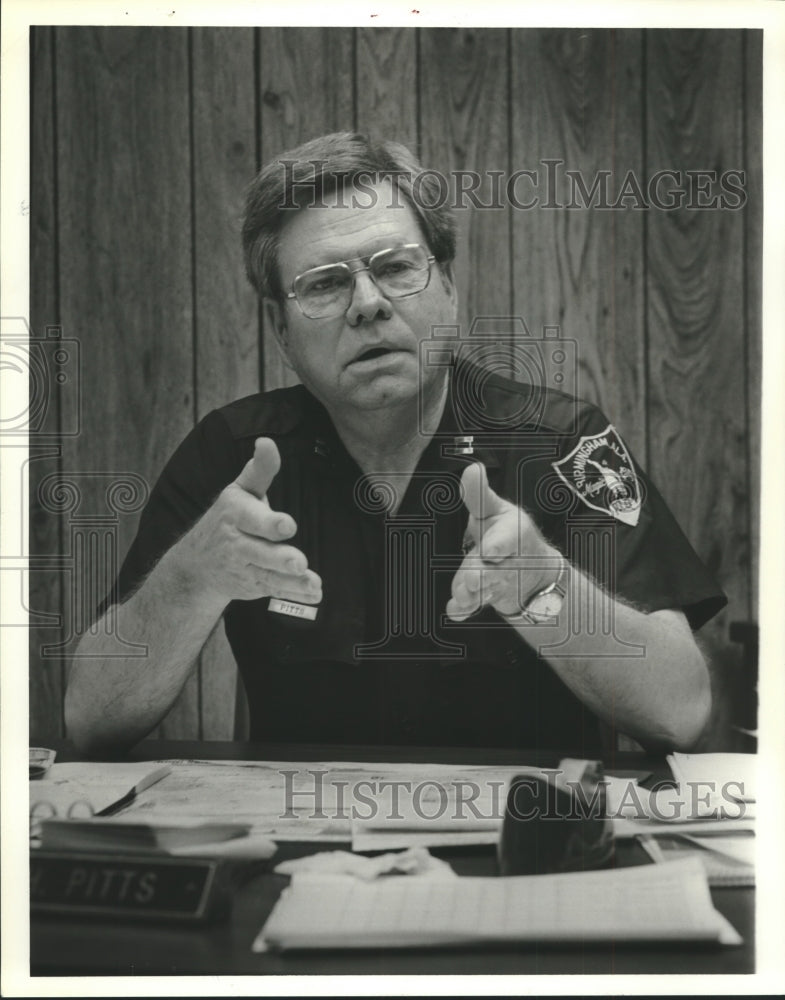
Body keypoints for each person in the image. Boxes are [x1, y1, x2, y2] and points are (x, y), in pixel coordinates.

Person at [65, 132, 725, 755]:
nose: (367, 304)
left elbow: (681, 710)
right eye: (323, 284)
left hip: (522, 850)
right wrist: (189, 577)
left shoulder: (563, 443)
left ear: (449, 289)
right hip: (307, 857)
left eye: (395, 268)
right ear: (280, 331)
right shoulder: (234, 457)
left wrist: (546, 589)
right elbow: (89, 721)